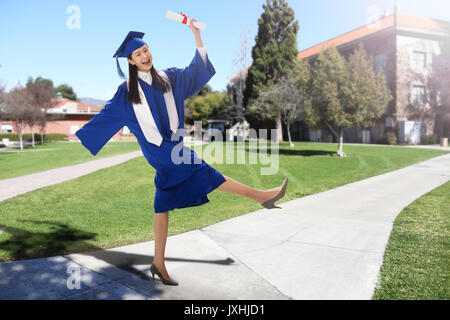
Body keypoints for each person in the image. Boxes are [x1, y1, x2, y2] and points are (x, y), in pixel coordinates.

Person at [75, 20, 288, 286]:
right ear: (130, 61)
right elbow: (105, 117)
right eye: (138, 54)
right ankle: (261, 197)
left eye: (146, 50)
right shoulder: (125, 93)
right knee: (202, 169)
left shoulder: (170, 78)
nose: (145, 55)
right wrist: (83, 136)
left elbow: (196, 70)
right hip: (158, 150)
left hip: (173, 145)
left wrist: (196, 35)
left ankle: (158, 263)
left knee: (162, 203)